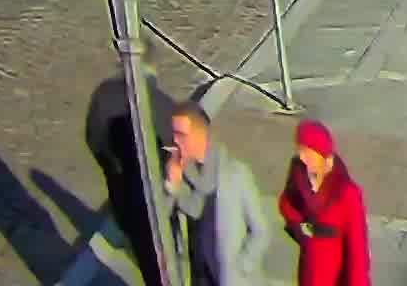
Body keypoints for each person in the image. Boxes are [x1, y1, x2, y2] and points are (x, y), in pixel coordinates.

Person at [160, 101, 280, 286]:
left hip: (232, 278)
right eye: (174, 134)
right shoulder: (181, 172)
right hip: (198, 274)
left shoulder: (235, 174)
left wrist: (242, 267)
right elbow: (161, 221)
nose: (175, 141)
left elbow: (261, 230)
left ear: (200, 135)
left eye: (181, 135)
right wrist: (172, 185)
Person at [84, 73, 161, 286]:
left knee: (147, 258)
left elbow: (95, 142)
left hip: (131, 210)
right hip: (148, 211)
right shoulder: (149, 114)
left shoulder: (107, 106)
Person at [278, 119, 371, 286]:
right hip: (309, 269)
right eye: (300, 151)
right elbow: (286, 203)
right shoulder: (299, 173)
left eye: (307, 152)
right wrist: (299, 229)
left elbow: (358, 251)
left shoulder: (348, 193)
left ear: (321, 153)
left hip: (336, 274)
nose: (302, 157)